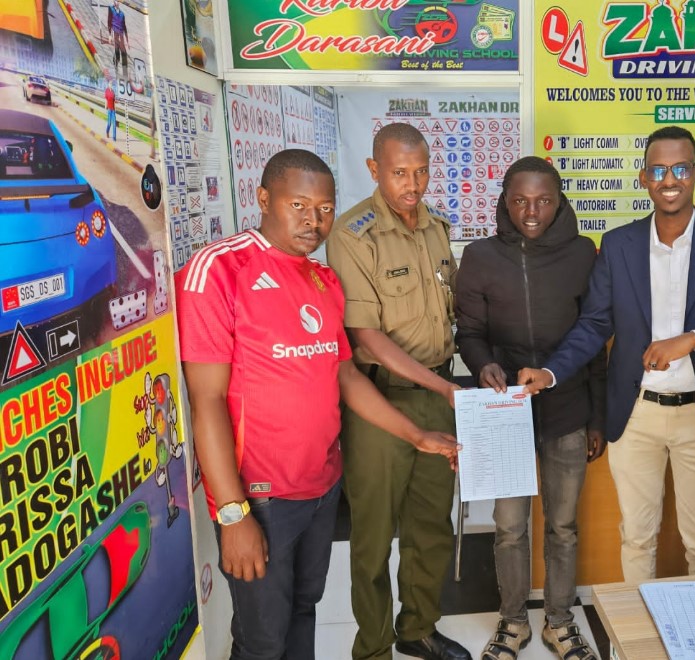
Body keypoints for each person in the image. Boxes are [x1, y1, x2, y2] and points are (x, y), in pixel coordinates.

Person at [176, 149, 458, 660]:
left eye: (325, 208)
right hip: (261, 497)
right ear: (263, 199)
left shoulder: (322, 280)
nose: (314, 221)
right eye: (299, 205)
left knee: (303, 608)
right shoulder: (218, 270)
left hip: (321, 487)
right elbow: (207, 400)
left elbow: (345, 375)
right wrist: (234, 513)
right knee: (261, 639)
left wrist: (417, 435)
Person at [519, 126, 695, 580]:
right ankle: (637, 643)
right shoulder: (619, 244)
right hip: (637, 413)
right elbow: (594, 324)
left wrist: (694, 338)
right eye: (659, 170)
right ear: (644, 177)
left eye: (681, 168)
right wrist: (549, 373)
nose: (670, 179)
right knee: (637, 537)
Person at [326, 123, 469, 660]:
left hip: (438, 389)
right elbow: (366, 338)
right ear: (374, 170)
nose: (413, 184)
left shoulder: (436, 229)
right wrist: (446, 389)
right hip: (379, 401)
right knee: (372, 536)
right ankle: (374, 647)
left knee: (430, 525)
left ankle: (418, 630)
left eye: (421, 171)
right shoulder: (351, 234)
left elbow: (450, 315)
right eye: (399, 172)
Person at [455, 157, 605, 660]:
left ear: (559, 200)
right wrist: (483, 368)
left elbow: (597, 336)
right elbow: (470, 334)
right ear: (504, 200)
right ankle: (514, 622)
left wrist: (597, 418)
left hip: (567, 410)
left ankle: (560, 623)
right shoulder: (479, 257)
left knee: (563, 526)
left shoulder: (585, 254)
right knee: (509, 527)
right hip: (505, 414)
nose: (531, 211)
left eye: (543, 200)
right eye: (520, 200)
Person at [107, 0, 130, 79]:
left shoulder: (122, 14)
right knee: (118, 53)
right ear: (114, 2)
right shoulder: (111, 9)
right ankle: (116, 70)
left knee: (124, 53)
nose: (117, 3)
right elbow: (109, 22)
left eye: (118, 1)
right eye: (116, 1)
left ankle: (125, 75)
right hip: (115, 33)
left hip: (121, 34)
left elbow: (124, 27)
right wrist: (109, 35)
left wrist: (127, 40)